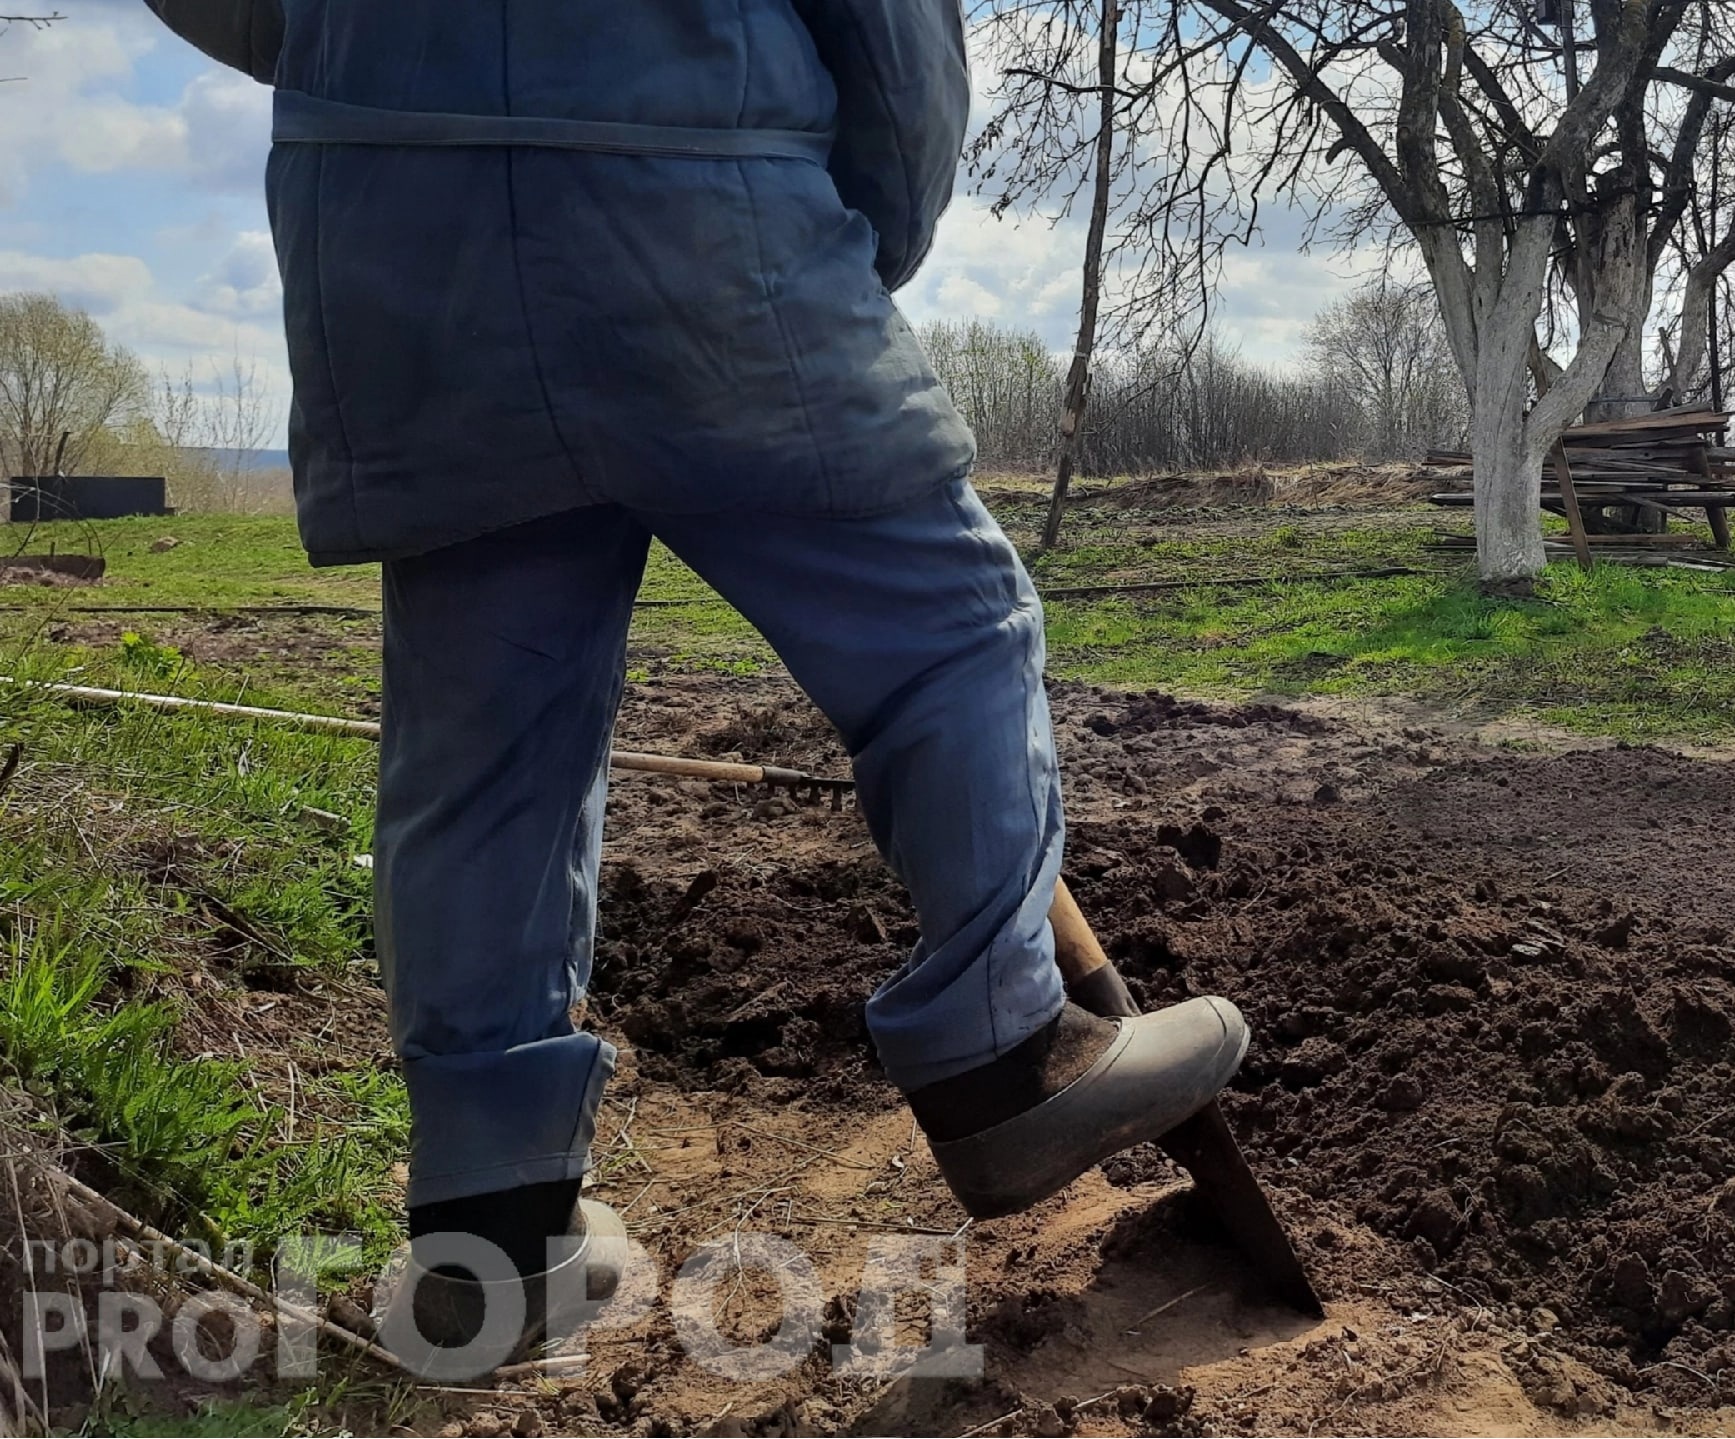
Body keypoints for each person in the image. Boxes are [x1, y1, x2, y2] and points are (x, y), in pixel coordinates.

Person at [145, 0, 1249, 1372]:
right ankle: (1004, 1053)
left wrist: (391, 57)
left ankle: (491, 1229)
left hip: (396, 248)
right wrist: (853, 237)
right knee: (947, 629)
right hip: (697, 213)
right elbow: (897, 56)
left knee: (488, 741)